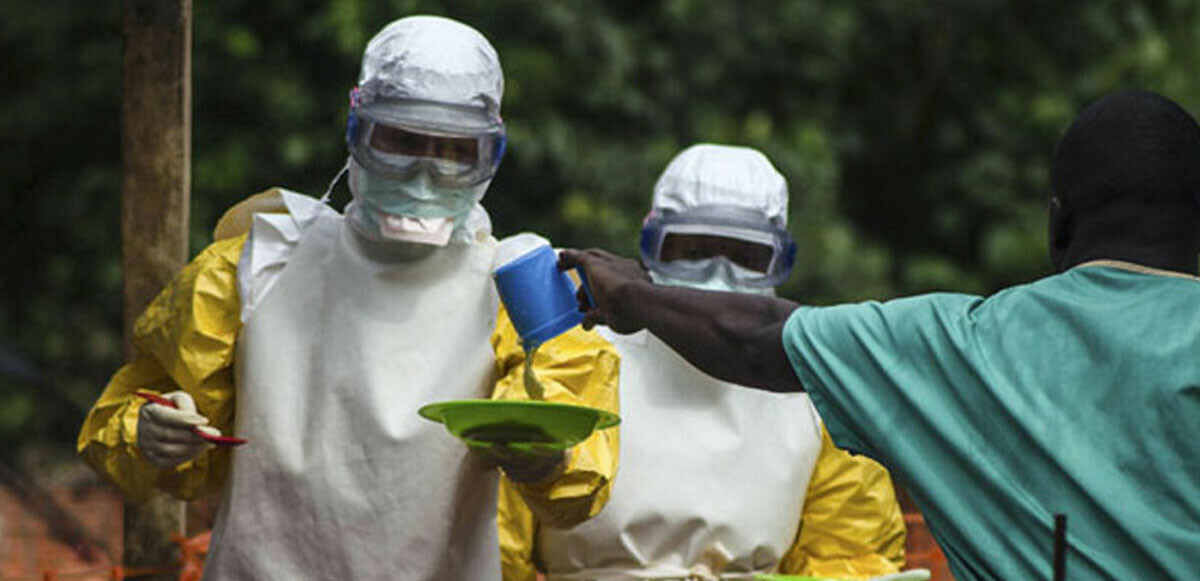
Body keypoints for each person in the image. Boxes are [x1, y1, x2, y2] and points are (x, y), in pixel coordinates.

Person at [560, 91, 1200, 580]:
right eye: (694, 248)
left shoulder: (960, 345)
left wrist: (632, 294)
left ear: (1057, 226)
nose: (720, 275)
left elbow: (754, 337)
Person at [78, 15, 619, 580]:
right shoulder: (258, 262)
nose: (424, 171)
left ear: (489, 156)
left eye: (455, 151)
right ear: (358, 130)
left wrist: (549, 460)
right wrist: (148, 429)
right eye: (402, 141)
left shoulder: (520, 289)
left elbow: (578, 490)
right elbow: (132, 424)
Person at [498, 144, 912, 581]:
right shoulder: (580, 353)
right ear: (650, 246)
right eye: (693, 252)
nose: (718, 277)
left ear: (780, 262)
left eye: (747, 259)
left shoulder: (812, 391)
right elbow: (499, 538)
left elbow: (849, 555)